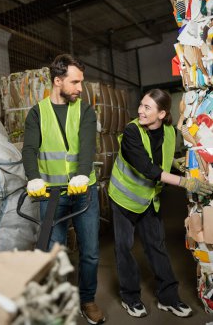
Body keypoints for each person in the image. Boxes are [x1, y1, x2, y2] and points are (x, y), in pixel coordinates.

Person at [108, 88, 213, 318]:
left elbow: (161, 157)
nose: (140, 111)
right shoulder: (131, 132)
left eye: (147, 107)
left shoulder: (167, 131)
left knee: (157, 246)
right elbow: (147, 168)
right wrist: (184, 182)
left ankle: (168, 297)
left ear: (162, 114)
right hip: (124, 198)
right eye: (141, 105)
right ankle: (130, 297)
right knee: (124, 248)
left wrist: (178, 164)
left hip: (148, 199)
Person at [22, 54, 105, 325]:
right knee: (51, 252)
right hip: (51, 195)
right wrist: (33, 177)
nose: (80, 88)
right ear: (58, 81)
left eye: (81, 81)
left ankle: (88, 300)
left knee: (90, 251)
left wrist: (82, 175)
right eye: (75, 82)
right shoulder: (37, 112)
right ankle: (56, 303)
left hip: (83, 192)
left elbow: (87, 147)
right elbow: (30, 148)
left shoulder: (85, 110)